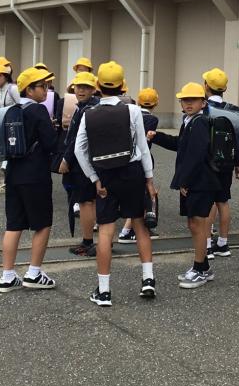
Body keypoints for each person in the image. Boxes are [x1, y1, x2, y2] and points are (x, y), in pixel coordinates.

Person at [75, 61, 157, 307]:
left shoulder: (88, 114)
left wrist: (94, 178)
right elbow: (142, 147)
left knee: (106, 231)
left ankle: (104, 292)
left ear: (98, 86)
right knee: (140, 225)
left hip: (105, 176)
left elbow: (80, 150)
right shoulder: (133, 110)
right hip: (132, 172)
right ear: (122, 86)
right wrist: (149, 178)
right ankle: (148, 279)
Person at [151, 83, 221, 289]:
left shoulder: (199, 123)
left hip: (200, 182)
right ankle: (203, 267)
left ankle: (200, 269)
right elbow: (180, 144)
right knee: (194, 224)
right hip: (198, 181)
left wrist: (185, 181)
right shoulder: (191, 121)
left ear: (203, 103)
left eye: (193, 100)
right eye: (185, 100)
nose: (188, 103)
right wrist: (158, 136)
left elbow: (196, 155)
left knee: (198, 225)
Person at [0, 66, 59, 293]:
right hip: (35, 174)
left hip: (13, 173)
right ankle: (34, 273)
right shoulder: (39, 111)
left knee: (14, 225)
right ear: (29, 90)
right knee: (42, 224)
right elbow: (51, 144)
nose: (46, 90)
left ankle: (7, 276)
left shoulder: (12, 111)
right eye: (42, 86)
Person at [202, 68, 239, 260]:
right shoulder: (235, 111)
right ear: (224, 88)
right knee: (223, 201)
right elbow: (238, 139)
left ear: (206, 86)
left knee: (208, 202)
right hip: (227, 162)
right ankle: (223, 243)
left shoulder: (204, 109)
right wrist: (238, 164)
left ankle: (206, 246)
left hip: (208, 162)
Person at [58, 71, 99, 257]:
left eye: (86, 87)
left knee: (85, 202)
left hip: (83, 162)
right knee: (93, 201)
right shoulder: (88, 106)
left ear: (94, 89)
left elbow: (77, 140)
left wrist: (66, 159)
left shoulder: (87, 109)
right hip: (93, 161)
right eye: (78, 87)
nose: (81, 90)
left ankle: (88, 241)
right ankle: (98, 241)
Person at [118, 88, 160, 243]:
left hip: (126, 159)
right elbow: (145, 143)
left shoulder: (129, 113)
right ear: (155, 103)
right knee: (143, 196)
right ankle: (127, 231)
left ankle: (130, 230)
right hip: (142, 159)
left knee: (135, 195)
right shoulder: (152, 119)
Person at [0, 61, 20, 187]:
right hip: (5, 125)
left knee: (11, 154)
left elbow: (21, 106)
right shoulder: (0, 89)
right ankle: (8, 182)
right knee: (7, 153)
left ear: (6, 76)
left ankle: (8, 183)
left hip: (14, 126)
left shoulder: (13, 88)